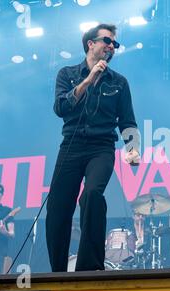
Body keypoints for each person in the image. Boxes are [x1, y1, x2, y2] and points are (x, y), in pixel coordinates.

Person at [46, 23, 140, 272]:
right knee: (58, 205)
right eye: (107, 41)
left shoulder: (119, 82)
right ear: (91, 44)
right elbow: (60, 108)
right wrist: (88, 80)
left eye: (115, 44)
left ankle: (89, 266)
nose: (112, 47)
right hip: (71, 146)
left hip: (101, 147)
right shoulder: (67, 74)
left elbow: (128, 121)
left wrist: (133, 148)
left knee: (91, 196)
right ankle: (57, 272)